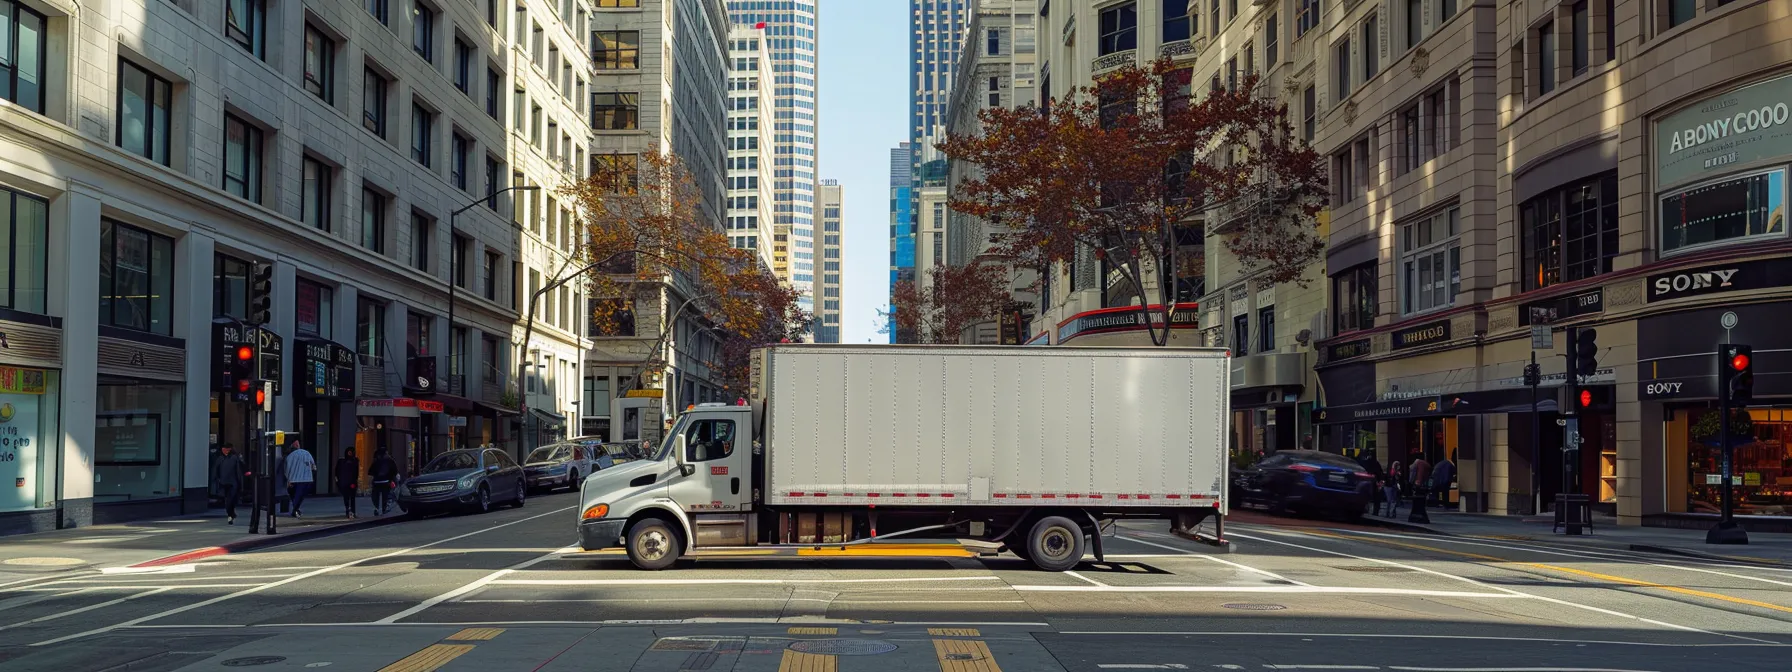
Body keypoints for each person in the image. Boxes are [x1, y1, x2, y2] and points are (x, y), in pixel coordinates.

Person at [211, 444, 248, 524]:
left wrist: (240, 482)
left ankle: (231, 514)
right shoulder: (220, 458)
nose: (224, 451)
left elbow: (239, 470)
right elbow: (215, 470)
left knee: (231, 499)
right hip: (223, 483)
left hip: (233, 482)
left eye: (226, 449)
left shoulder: (235, 458)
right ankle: (231, 514)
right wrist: (216, 479)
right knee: (227, 500)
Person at [283, 439, 317, 518]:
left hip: (294, 479)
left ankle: (295, 510)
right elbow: (313, 466)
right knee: (300, 496)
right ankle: (295, 510)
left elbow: (286, 469)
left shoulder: (289, 456)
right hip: (306, 478)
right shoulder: (306, 453)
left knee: (294, 495)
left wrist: (288, 480)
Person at [369, 449, 399, 515]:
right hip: (386, 482)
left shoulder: (376, 461)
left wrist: (371, 482)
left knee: (375, 496)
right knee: (385, 496)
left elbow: (370, 472)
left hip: (376, 482)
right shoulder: (390, 460)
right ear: (386, 453)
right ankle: (384, 509)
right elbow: (395, 471)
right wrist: (393, 480)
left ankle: (376, 508)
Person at [1408, 454, 1433, 523]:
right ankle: (1419, 516)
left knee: (1418, 502)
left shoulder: (1420, 463)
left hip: (1420, 485)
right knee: (1420, 502)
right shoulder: (1421, 463)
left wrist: (1417, 482)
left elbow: (1420, 473)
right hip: (1423, 484)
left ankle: (1417, 516)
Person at [336, 451, 361, 519]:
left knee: (351, 498)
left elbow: (356, 473)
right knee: (347, 497)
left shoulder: (353, 461)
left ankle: (351, 511)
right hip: (346, 482)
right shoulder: (343, 461)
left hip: (349, 482)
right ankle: (349, 511)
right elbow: (337, 472)